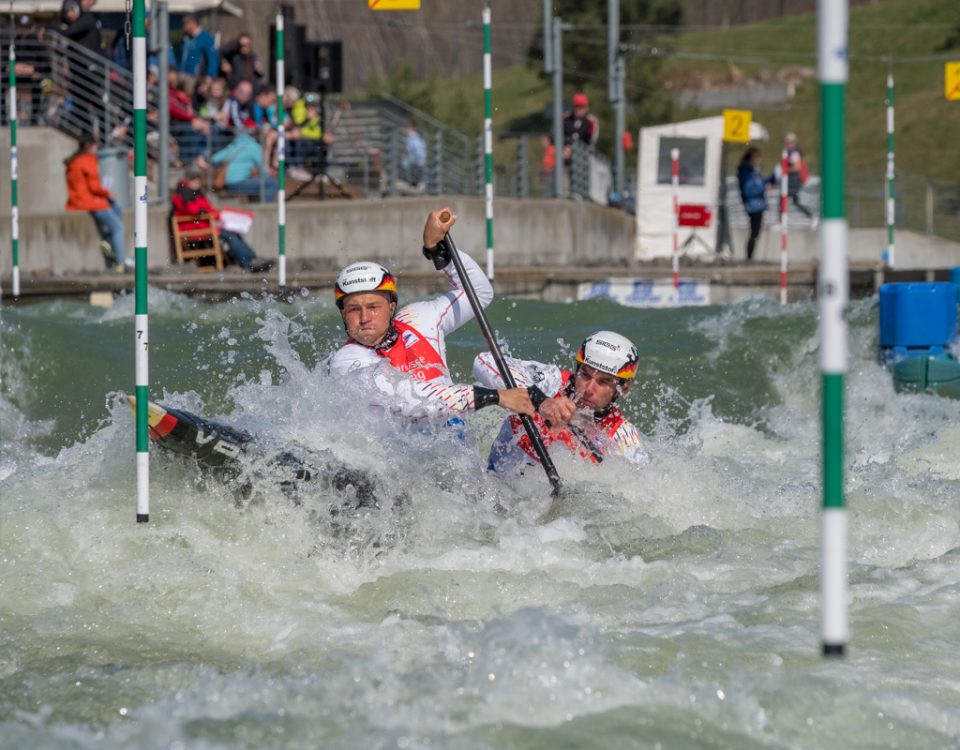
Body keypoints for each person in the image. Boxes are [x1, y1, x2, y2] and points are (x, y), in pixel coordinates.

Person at [329, 207, 536, 422]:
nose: (364, 318)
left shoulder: (418, 318)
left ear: (391, 307)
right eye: (354, 309)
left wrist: (437, 250)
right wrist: (494, 397)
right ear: (344, 314)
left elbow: (479, 293)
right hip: (398, 453)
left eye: (373, 307)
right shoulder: (347, 361)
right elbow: (410, 399)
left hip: (454, 444)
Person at [472, 331, 648, 474]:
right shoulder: (551, 381)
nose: (589, 389)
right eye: (585, 375)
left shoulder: (622, 436)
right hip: (493, 488)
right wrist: (540, 400)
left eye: (603, 382)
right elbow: (483, 362)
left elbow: (638, 491)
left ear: (624, 388)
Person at [171, 163, 264, 271]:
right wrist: (214, 216)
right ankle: (247, 263)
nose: (197, 182)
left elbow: (208, 208)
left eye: (198, 179)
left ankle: (252, 258)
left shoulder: (196, 193)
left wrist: (218, 216)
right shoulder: (181, 195)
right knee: (230, 236)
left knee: (234, 233)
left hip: (206, 224)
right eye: (194, 179)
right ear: (187, 179)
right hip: (194, 227)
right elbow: (194, 211)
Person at [64, 136, 132, 272]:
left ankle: (109, 245)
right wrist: (107, 193)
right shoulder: (87, 160)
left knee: (116, 209)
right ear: (90, 147)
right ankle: (121, 262)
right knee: (118, 227)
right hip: (90, 202)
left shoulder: (74, 161)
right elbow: (94, 187)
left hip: (76, 200)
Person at [204, 124, 277, 202]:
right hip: (238, 184)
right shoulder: (254, 147)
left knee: (254, 181)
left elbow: (214, 159)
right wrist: (268, 176)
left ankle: (255, 205)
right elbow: (262, 168)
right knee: (271, 183)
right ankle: (265, 207)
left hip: (225, 183)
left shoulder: (232, 146)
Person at [737, 146, 774, 262]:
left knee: (756, 231)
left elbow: (757, 184)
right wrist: (763, 187)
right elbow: (749, 188)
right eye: (756, 158)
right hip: (754, 204)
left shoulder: (752, 170)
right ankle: (749, 257)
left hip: (757, 203)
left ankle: (750, 256)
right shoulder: (746, 171)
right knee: (754, 231)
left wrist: (771, 180)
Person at [782, 132, 815, 225]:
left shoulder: (794, 153)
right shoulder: (789, 151)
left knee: (783, 198)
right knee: (795, 201)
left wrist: (785, 170)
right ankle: (810, 216)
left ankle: (782, 222)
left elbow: (797, 167)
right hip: (793, 180)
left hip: (793, 181)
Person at [562, 92, 599, 165]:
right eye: (577, 107)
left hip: (584, 156)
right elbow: (558, 136)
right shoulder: (565, 119)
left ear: (586, 108)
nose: (579, 109)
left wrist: (574, 148)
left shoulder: (591, 121)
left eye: (582, 107)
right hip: (566, 155)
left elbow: (591, 140)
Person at [177, 14, 219, 79]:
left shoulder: (206, 38)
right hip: (182, 76)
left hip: (196, 78)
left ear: (193, 23)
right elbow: (180, 57)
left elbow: (213, 59)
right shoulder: (185, 39)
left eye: (185, 23)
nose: (183, 27)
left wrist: (209, 76)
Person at [401, 121, 427, 193]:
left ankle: (417, 191)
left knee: (415, 181)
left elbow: (418, 152)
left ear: (411, 129)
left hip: (416, 163)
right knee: (418, 181)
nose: (406, 131)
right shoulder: (417, 138)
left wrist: (406, 162)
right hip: (418, 163)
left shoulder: (413, 138)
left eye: (407, 129)